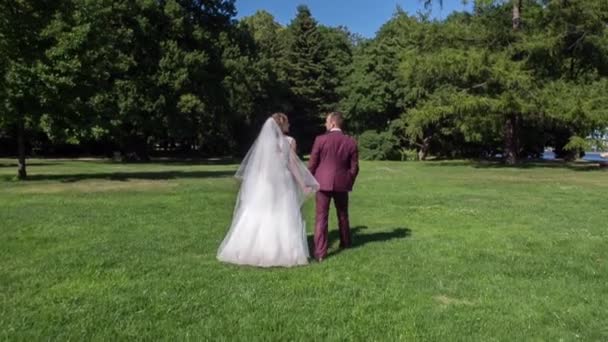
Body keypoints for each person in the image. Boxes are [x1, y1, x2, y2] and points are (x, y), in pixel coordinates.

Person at [217, 113, 319, 267]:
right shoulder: (290, 141)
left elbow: (258, 166)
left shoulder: (264, 143)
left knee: (261, 212)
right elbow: (292, 164)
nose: (289, 126)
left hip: (264, 183)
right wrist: (302, 184)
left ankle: (250, 249)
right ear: (281, 125)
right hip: (283, 182)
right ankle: (282, 252)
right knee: (282, 213)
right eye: (287, 123)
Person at [308, 112, 359, 262]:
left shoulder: (320, 139)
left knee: (321, 218)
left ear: (333, 124)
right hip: (342, 183)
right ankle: (346, 243)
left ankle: (320, 253)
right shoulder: (351, 142)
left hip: (322, 183)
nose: (325, 124)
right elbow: (354, 167)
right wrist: (348, 180)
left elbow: (312, 163)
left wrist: (308, 180)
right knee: (343, 215)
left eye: (326, 121)